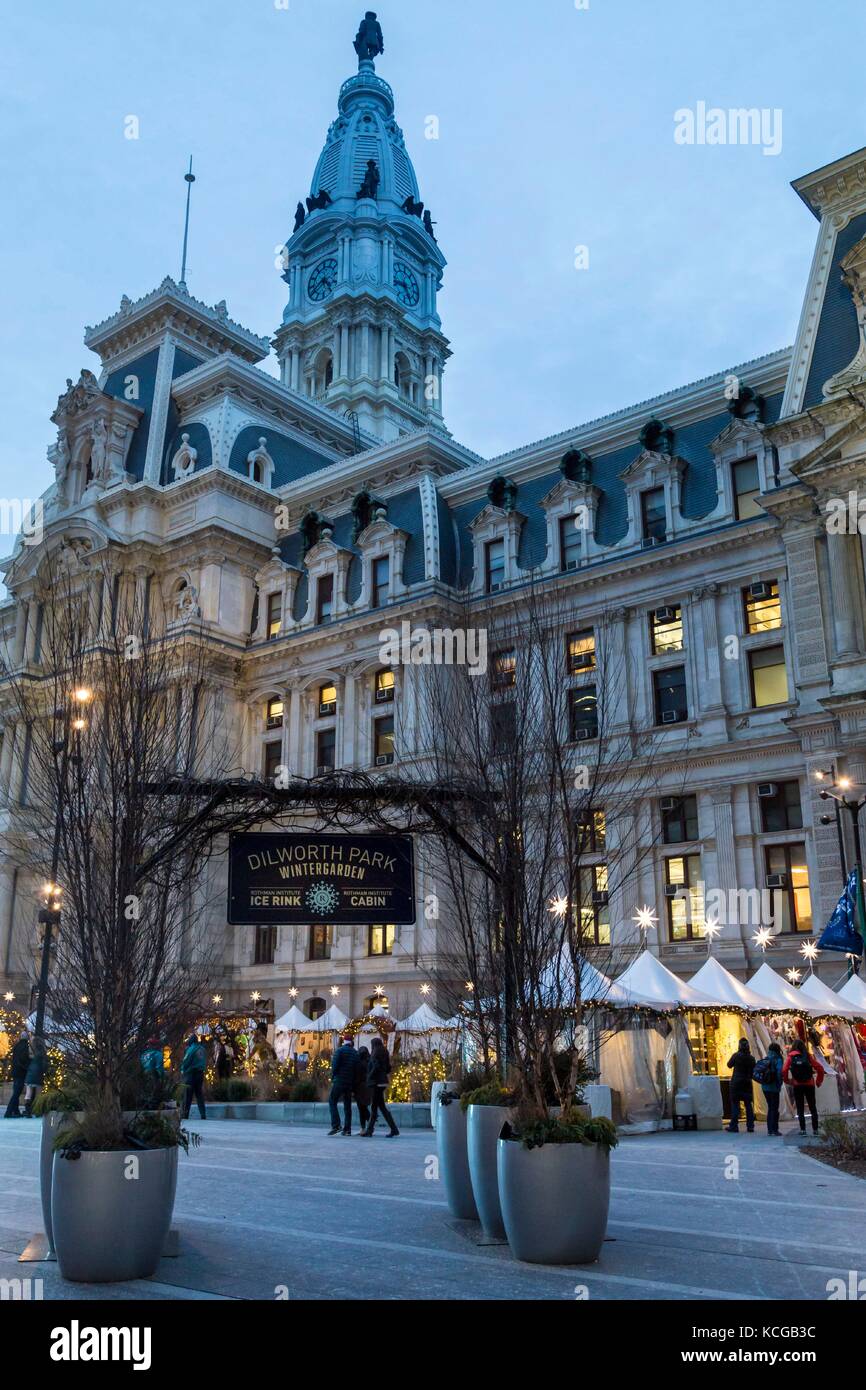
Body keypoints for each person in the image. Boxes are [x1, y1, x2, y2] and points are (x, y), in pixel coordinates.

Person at [783, 1037, 825, 1135]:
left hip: (797, 1085)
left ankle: (803, 1130)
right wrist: (818, 1081)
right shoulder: (808, 1056)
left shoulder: (791, 1056)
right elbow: (820, 1068)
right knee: (812, 1107)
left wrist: (788, 1081)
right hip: (809, 1084)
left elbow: (784, 1070)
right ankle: (815, 1130)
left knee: (800, 1107)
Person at [362, 1036, 399, 1137]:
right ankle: (393, 1129)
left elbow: (375, 1067)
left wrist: (369, 1077)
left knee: (374, 1107)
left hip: (376, 1083)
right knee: (381, 1107)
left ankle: (369, 1130)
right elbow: (388, 1068)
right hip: (383, 1082)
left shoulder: (375, 1053)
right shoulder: (385, 1052)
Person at [328, 1034, 357, 1135]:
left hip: (339, 1080)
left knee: (332, 1101)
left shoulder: (339, 1051)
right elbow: (356, 1069)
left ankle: (336, 1125)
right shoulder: (354, 1052)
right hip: (349, 1083)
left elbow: (334, 1066)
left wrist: (333, 1077)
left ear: (343, 1041)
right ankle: (347, 1129)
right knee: (347, 1105)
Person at [726, 1037, 756, 1133]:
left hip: (736, 1083)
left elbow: (729, 1065)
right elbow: (753, 1071)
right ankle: (750, 1126)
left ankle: (734, 1126)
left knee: (735, 1104)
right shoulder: (751, 1058)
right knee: (748, 1105)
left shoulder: (736, 1056)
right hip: (747, 1082)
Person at [753, 1041, 784, 1135]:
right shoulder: (778, 1059)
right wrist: (779, 1084)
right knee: (774, 1108)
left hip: (765, 1087)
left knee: (770, 1108)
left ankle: (770, 1130)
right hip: (774, 1087)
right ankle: (775, 1129)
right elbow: (779, 1072)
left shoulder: (766, 1059)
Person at [181, 1033, 207, 1120]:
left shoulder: (191, 1049)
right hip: (200, 1073)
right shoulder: (202, 1049)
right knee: (199, 1094)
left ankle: (185, 1114)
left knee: (188, 1095)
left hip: (191, 1074)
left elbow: (186, 1061)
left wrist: (183, 1070)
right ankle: (203, 1114)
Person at [4, 1030, 30, 1118]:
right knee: (17, 1093)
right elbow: (24, 1059)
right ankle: (9, 1111)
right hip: (21, 1072)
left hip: (15, 1071)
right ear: (27, 1037)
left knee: (16, 1091)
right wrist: (27, 1067)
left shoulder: (16, 1046)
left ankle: (15, 1111)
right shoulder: (26, 1046)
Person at [22, 1036, 47, 1118]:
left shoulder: (30, 1049)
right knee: (38, 1095)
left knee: (28, 1094)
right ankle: (37, 1111)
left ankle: (28, 1111)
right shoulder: (42, 1052)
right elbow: (44, 1065)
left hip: (30, 1073)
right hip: (38, 1074)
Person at [353, 1044, 371, 1134]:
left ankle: (364, 1127)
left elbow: (357, 1077)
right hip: (368, 1088)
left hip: (359, 1088)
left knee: (361, 1108)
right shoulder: (370, 1062)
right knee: (364, 1107)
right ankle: (369, 1123)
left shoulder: (358, 1064)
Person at [140, 1036, 164, 1103]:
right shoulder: (157, 1054)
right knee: (155, 1093)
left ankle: (146, 1104)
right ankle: (153, 1105)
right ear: (156, 1045)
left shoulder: (143, 1055)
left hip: (144, 1074)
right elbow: (159, 1066)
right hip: (153, 1074)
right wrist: (161, 1076)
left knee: (146, 1092)